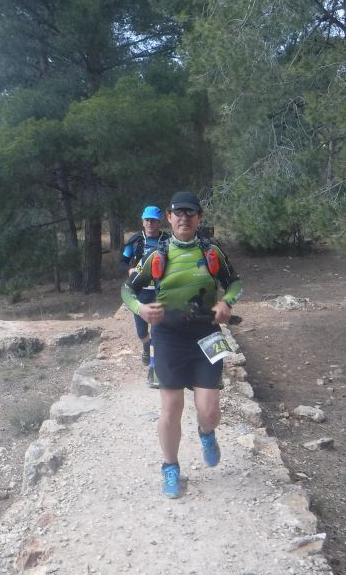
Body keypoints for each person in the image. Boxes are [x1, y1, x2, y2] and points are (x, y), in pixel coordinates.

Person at [121, 191, 243, 498]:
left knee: (209, 410)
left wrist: (226, 302)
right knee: (171, 408)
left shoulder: (211, 251)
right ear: (169, 217)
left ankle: (206, 432)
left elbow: (235, 283)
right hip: (168, 337)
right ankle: (170, 467)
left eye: (191, 213)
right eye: (179, 213)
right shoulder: (158, 255)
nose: (184, 218)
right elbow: (127, 290)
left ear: (199, 218)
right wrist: (140, 309)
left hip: (207, 334)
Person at [120, 206, 170, 384]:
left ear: (159, 222)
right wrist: (129, 270)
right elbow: (123, 261)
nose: (150, 223)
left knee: (157, 332)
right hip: (140, 292)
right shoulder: (135, 241)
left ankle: (153, 369)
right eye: (147, 220)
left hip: (160, 292)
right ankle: (146, 347)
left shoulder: (168, 240)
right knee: (142, 333)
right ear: (142, 221)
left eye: (154, 220)